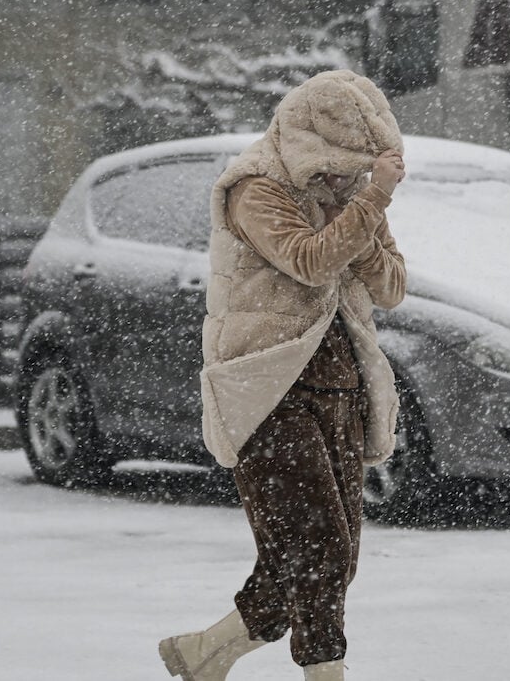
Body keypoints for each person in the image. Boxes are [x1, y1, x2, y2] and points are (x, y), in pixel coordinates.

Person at [158, 70, 407, 681]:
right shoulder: (256, 190)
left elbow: (392, 288)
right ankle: (326, 674)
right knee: (316, 549)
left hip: (341, 386)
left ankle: (201, 653)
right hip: (266, 391)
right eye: (338, 168)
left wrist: (364, 216)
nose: (344, 181)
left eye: (356, 171)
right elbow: (310, 261)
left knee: (324, 558)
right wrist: (371, 203)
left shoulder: (350, 200)